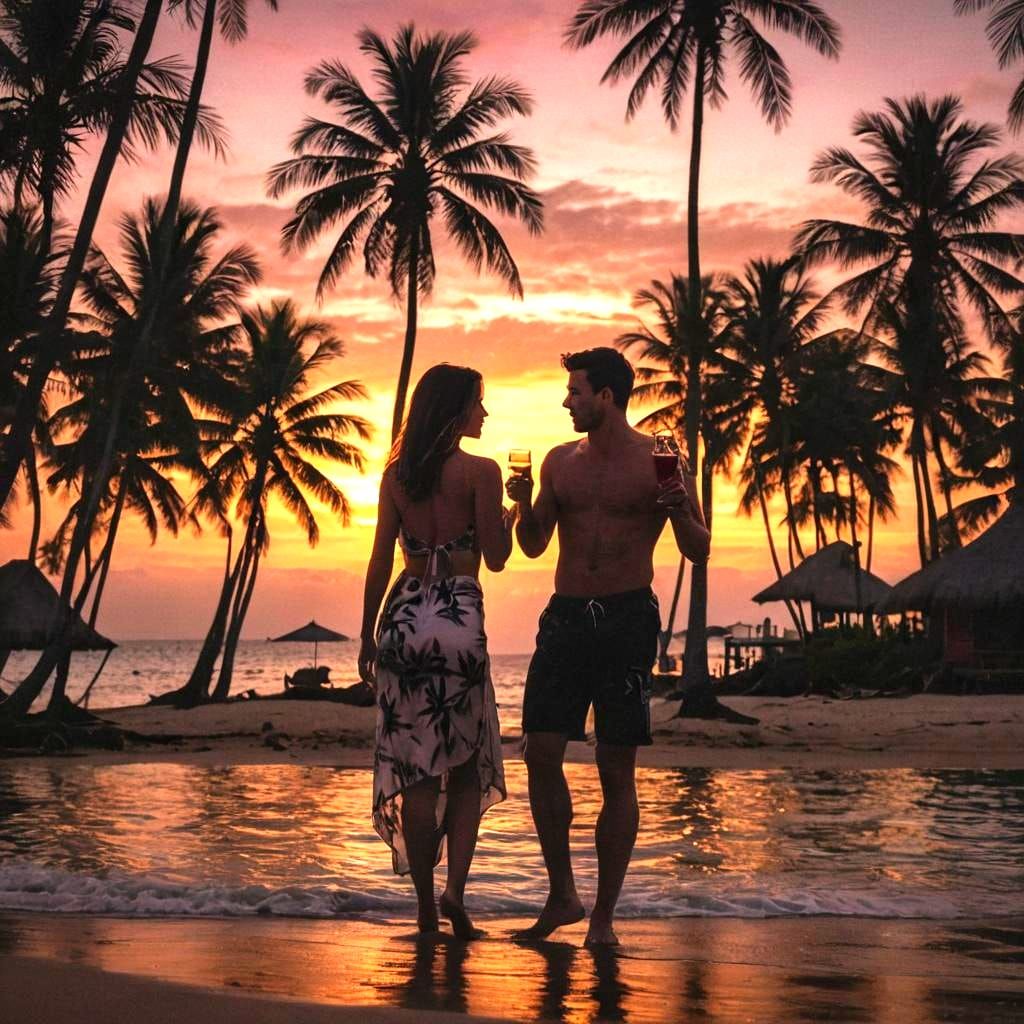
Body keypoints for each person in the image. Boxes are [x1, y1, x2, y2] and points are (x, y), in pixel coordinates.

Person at [507, 347, 710, 947]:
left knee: (615, 766)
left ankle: (603, 918)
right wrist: (522, 502)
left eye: (575, 392)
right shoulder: (558, 462)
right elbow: (534, 545)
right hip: (566, 616)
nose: (566, 402)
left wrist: (678, 512)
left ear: (607, 396)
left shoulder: (661, 459)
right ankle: (563, 893)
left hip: (626, 618)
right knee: (540, 752)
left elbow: (698, 548)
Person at [359, 364, 514, 940]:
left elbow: (380, 560)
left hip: (402, 619)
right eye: (479, 403)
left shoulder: (397, 476)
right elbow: (495, 557)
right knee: (467, 771)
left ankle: (425, 907)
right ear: (455, 411)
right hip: (459, 623)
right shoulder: (481, 472)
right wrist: (509, 515)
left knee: (420, 777)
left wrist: (365, 634)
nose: (484, 414)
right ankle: (454, 894)